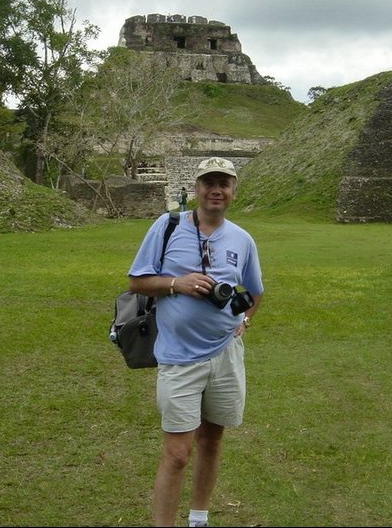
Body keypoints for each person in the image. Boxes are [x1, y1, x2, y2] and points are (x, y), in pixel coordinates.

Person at [128, 156, 264, 527]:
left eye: (224, 183)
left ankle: (199, 518)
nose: (216, 190)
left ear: (234, 191)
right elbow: (136, 281)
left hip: (225, 354)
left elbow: (255, 291)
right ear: (198, 188)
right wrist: (178, 283)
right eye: (209, 182)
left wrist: (244, 322)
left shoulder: (242, 239)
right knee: (177, 453)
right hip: (179, 356)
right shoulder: (167, 227)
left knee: (213, 439)